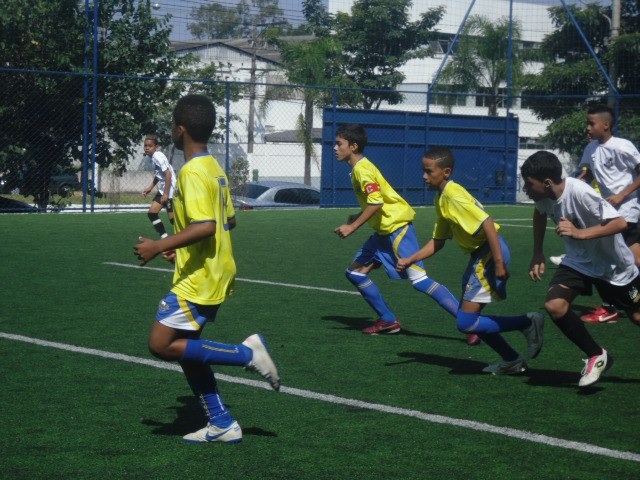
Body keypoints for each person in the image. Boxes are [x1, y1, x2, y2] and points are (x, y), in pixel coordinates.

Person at [134, 94, 280, 444]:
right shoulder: (214, 168)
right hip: (210, 270)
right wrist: (180, 250)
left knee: (160, 344)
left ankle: (247, 353)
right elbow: (228, 219)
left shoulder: (193, 171)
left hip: (200, 279)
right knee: (189, 351)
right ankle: (222, 423)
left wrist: (159, 245)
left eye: (171, 123)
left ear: (179, 129)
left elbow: (206, 226)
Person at [397, 147, 544, 375]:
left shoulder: (453, 195)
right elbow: (438, 241)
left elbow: (487, 223)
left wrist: (499, 262)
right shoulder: (442, 197)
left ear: (446, 172)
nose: (424, 176)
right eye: (422, 171)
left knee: (466, 323)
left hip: (488, 254)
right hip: (480, 256)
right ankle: (511, 359)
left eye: (428, 171)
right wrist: (410, 259)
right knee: (471, 319)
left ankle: (526, 323)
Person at [331, 124, 480, 344]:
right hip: (383, 232)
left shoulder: (363, 169)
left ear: (353, 146)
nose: (335, 148)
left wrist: (353, 227)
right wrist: (358, 215)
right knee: (355, 273)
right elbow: (376, 202)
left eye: (339, 144)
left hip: (397, 229)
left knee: (420, 281)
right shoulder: (358, 169)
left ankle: (470, 326)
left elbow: (377, 202)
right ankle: (388, 319)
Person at [521, 150, 640, 387]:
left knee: (636, 316)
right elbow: (540, 213)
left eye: (528, 184)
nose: (525, 189)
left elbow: (620, 222)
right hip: (578, 262)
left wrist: (579, 233)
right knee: (555, 305)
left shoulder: (580, 192)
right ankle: (597, 355)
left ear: (547, 183)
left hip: (613, 267)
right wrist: (537, 252)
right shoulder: (543, 197)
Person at [576, 105, 640, 323]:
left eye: (591, 123)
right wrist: (574, 185)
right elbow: (589, 175)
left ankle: (609, 308)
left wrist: (622, 195)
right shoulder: (590, 149)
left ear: (606, 124)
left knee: (605, 257)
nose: (588, 127)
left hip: (625, 213)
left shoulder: (622, 146)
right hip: (607, 212)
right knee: (633, 258)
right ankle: (614, 304)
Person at [142, 134, 176, 239]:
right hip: (163, 190)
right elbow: (159, 175)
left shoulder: (157, 156)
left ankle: (192, 234)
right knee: (152, 213)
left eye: (150, 146)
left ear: (156, 146)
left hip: (170, 190)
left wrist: (166, 194)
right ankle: (165, 238)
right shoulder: (153, 157)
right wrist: (150, 187)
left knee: (173, 220)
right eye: (145, 146)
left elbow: (168, 174)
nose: (147, 148)